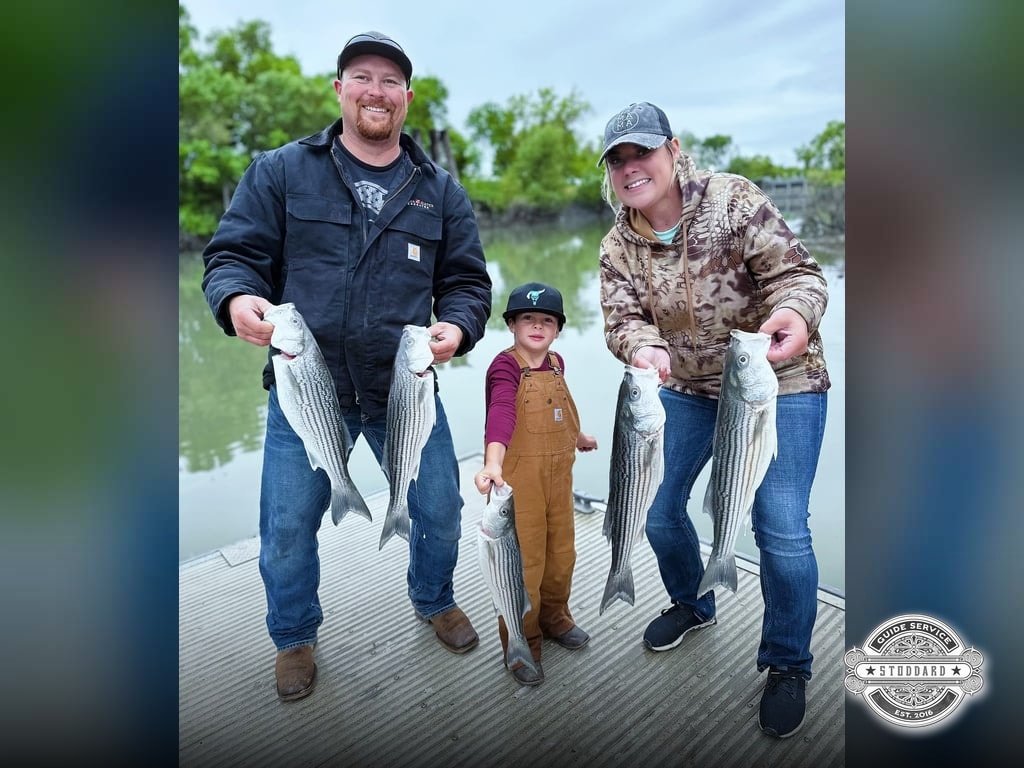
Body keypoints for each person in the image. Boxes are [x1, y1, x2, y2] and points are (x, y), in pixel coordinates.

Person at [201, 31, 492, 702]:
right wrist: (237, 298)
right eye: (362, 77)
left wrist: (458, 326)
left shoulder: (439, 191)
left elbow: (467, 284)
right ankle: (294, 636)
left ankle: (434, 597)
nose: (376, 91)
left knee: (441, 509)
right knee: (284, 530)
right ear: (339, 90)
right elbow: (233, 256)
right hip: (307, 390)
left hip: (405, 391)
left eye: (391, 81)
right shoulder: (281, 171)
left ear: (407, 98)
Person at [596, 102, 830, 738]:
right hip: (687, 387)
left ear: (673, 150)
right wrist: (642, 347)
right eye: (617, 160)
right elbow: (621, 320)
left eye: (642, 152)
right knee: (655, 507)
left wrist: (796, 315)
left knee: (780, 526)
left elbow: (800, 276)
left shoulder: (733, 200)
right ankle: (693, 602)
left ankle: (787, 664)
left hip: (777, 380)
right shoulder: (617, 245)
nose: (630, 168)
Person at [474, 282, 598, 686]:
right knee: (524, 565)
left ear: (558, 329)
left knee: (561, 555)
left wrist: (578, 436)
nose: (538, 326)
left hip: (559, 481)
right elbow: (502, 412)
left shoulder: (557, 363)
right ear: (511, 324)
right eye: (528, 318)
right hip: (519, 485)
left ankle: (555, 617)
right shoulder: (505, 367)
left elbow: (560, 407)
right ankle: (522, 640)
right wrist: (492, 463)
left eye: (547, 319)